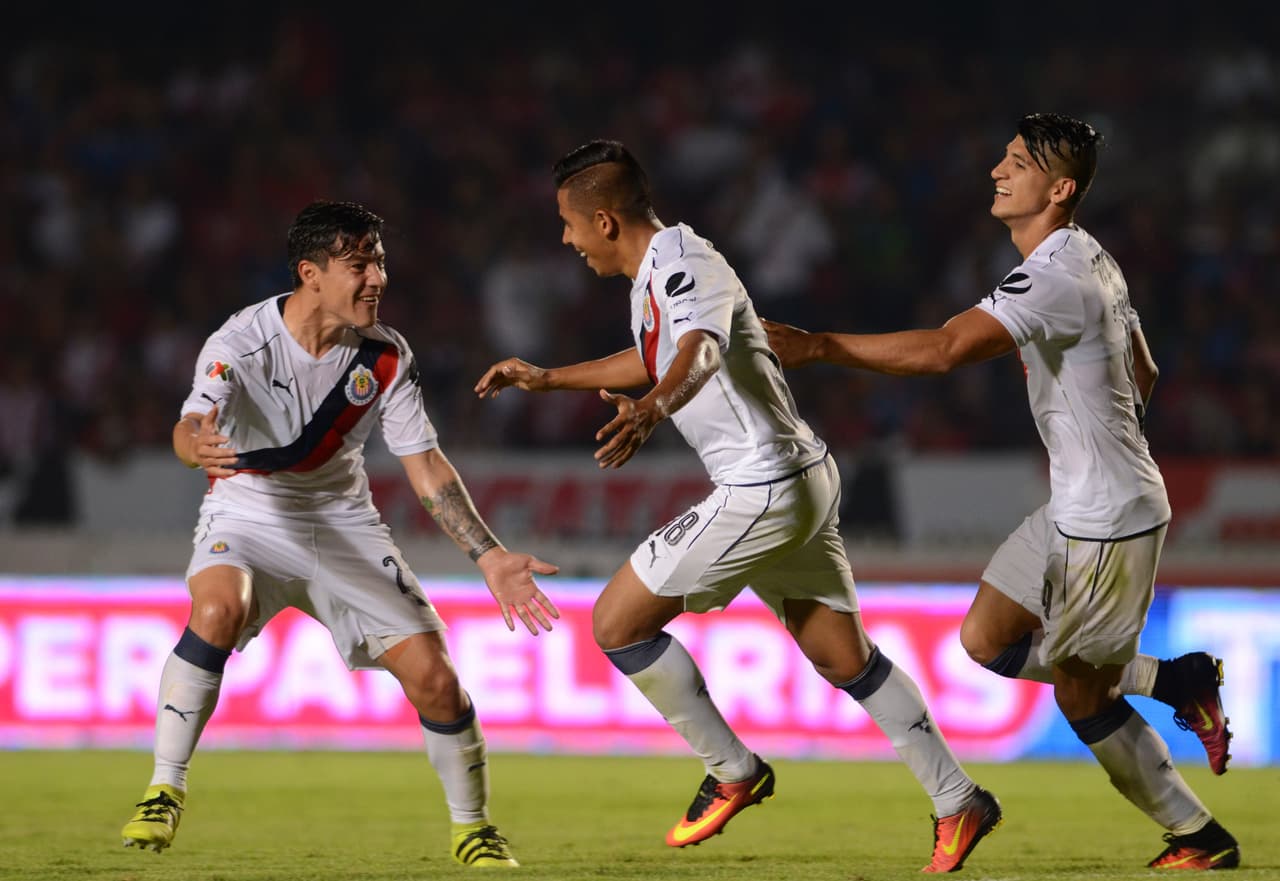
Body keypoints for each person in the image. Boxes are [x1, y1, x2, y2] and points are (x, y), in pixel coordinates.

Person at [475, 139, 1000, 873]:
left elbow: (696, 349)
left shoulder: (686, 262)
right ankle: (959, 798)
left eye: (565, 224)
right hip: (799, 472)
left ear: (602, 220)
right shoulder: (652, 277)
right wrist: (548, 377)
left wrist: (655, 409)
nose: (563, 241)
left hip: (763, 484)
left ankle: (731, 769)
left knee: (617, 622)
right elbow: (660, 355)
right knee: (843, 656)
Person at [764, 113, 1240, 870]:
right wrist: (1099, 422)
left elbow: (947, 348)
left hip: (1106, 519)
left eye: (1016, 162)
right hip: (1078, 501)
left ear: (1060, 188)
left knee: (1081, 697)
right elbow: (1145, 372)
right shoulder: (1092, 259)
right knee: (985, 638)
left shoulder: (1055, 273)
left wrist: (821, 346)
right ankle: (1175, 678)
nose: (997, 170)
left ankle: (1200, 836)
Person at [121, 200, 560, 868]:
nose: (378, 277)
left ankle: (473, 827)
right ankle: (164, 788)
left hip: (341, 523)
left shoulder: (386, 356)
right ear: (311, 273)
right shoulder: (239, 342)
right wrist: (194, 446)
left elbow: (426, 466)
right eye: (360, 263)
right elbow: (191, 423)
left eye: (380, 260)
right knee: (216, 608)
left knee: (437, 681)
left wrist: (490, 556)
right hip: (249, 511)